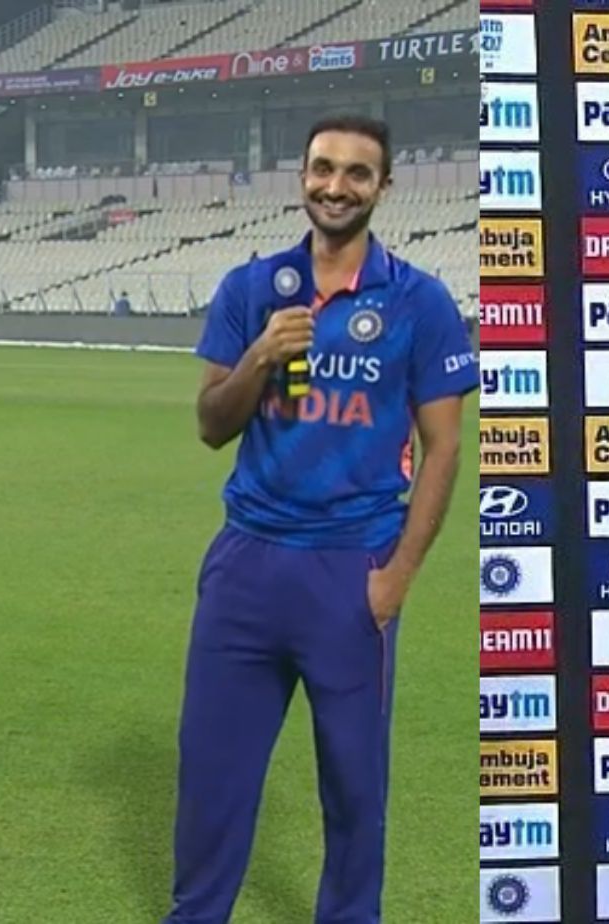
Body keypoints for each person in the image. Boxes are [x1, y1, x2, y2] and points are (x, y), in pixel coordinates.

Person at [164, 114, 478, 924]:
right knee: (212, 777)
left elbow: (442, 449)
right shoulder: (249, 289)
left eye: (356, 173)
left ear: (383, 187)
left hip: (351, 571)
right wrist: (260, 357)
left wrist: (395, 581)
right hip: (247, 564)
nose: (335, 186)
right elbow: (210, 425)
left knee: (352, 785)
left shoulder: (420, 302)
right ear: (301, 175)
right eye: (322, 168)